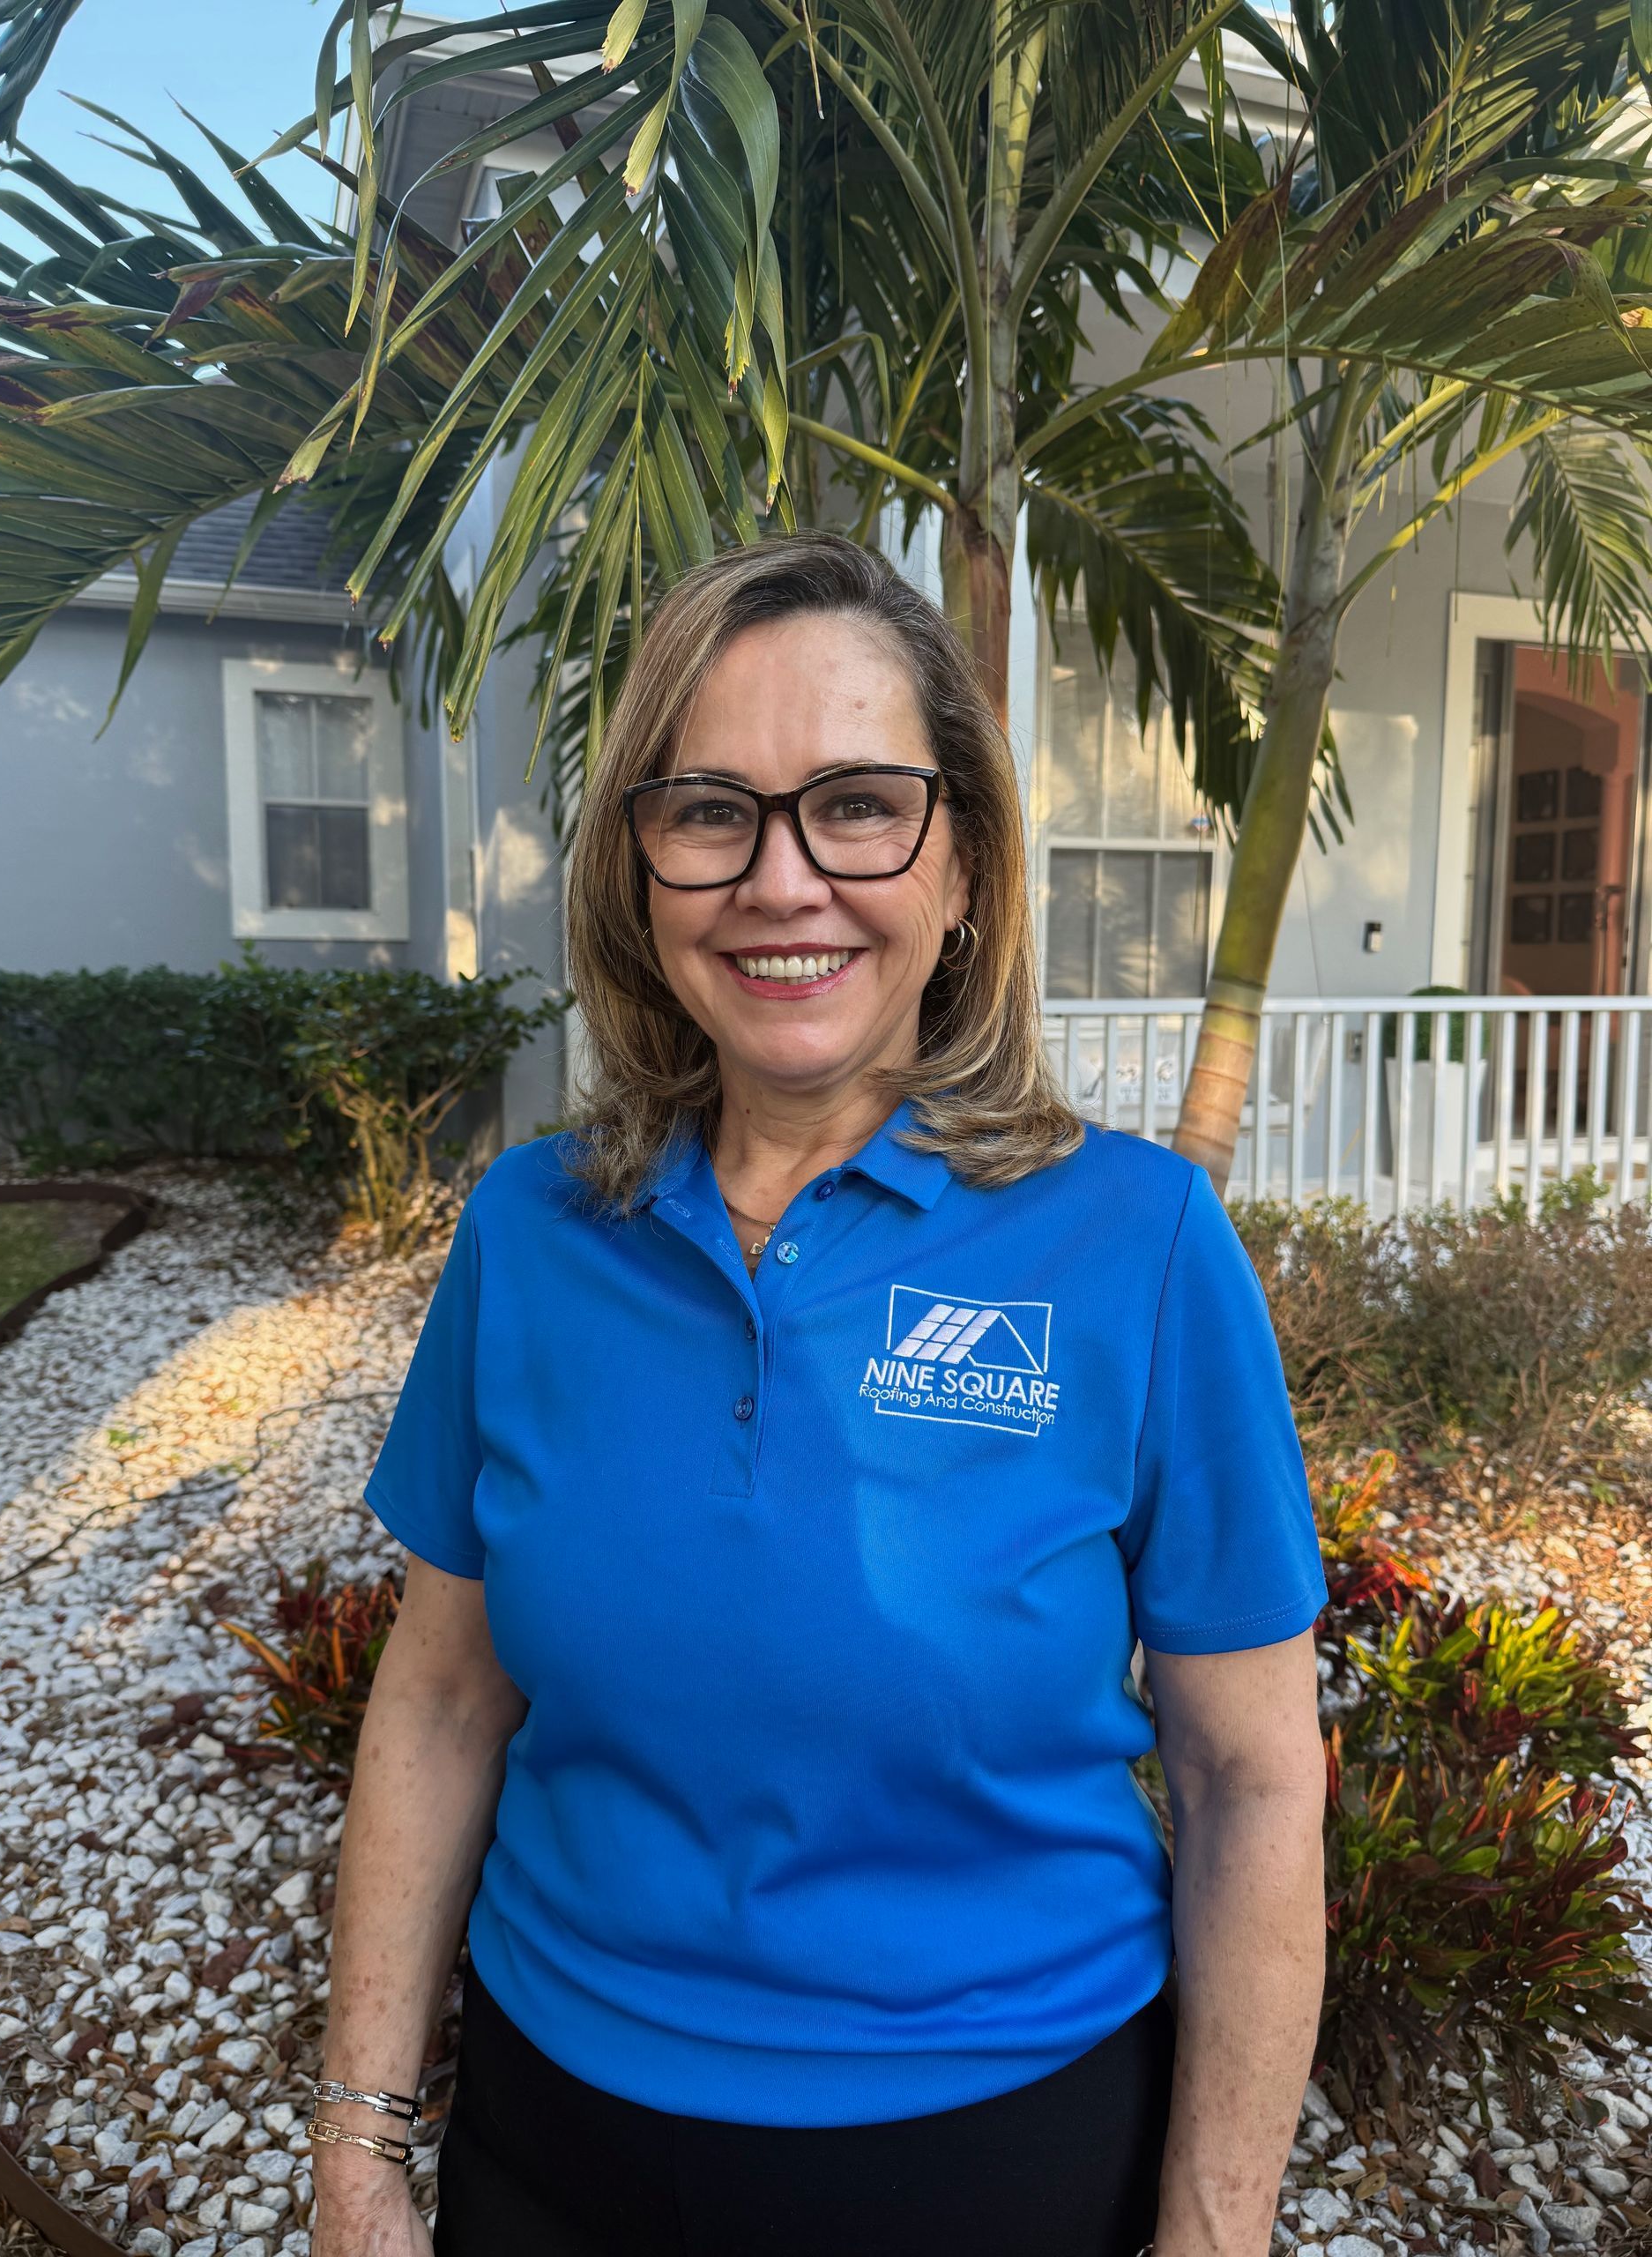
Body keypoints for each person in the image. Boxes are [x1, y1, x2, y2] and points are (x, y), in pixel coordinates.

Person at [307, 530, 1330, 2257]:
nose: (782, 880)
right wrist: (358, 2147)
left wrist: (1216, 2227)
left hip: (999, 2154)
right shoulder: (531, 1233)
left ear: (967, 871)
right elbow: (439, 1702)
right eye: (710, 807)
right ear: (643, 871)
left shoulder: (1139, 1242)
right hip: (554, 2144)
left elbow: (1251, 1778)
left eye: (859, 803)